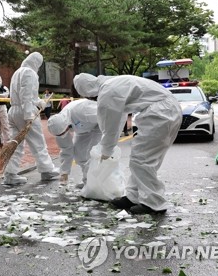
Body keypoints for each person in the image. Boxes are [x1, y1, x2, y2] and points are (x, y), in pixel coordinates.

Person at [73, 73, 182, 215]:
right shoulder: (113, 82)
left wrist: (106, 150)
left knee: (141, 160)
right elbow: (119, 119)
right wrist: (108, 147)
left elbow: (110, 126)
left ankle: (154, 203)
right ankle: (133, 197)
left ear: (86, 91)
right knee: (142, 159)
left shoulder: (108, 91)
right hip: (167, 110)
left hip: (160, 113)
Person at [3, 52, 60, 185]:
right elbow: (26, 95)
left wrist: (40, 102)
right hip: (24, 112)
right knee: (38, 142)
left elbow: (28, 96)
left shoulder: (18, 72)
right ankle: (47, 170)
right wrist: (29, 115)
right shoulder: (29, 73)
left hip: (13, 111)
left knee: (15, 144)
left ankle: (10, 174)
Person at [47, 98, 102, 187]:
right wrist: (64, 172)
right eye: (60, 134)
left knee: (94, 154)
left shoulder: (83, 110)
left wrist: (109, 139)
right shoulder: (59, 126)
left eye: (63, 133)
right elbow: (66, 149)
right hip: (83, 129)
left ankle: (97, 184)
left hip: (100, 125)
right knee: (80, 154)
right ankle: (87, 181)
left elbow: (106, 116)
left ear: (66, 126)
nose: (63, 135)